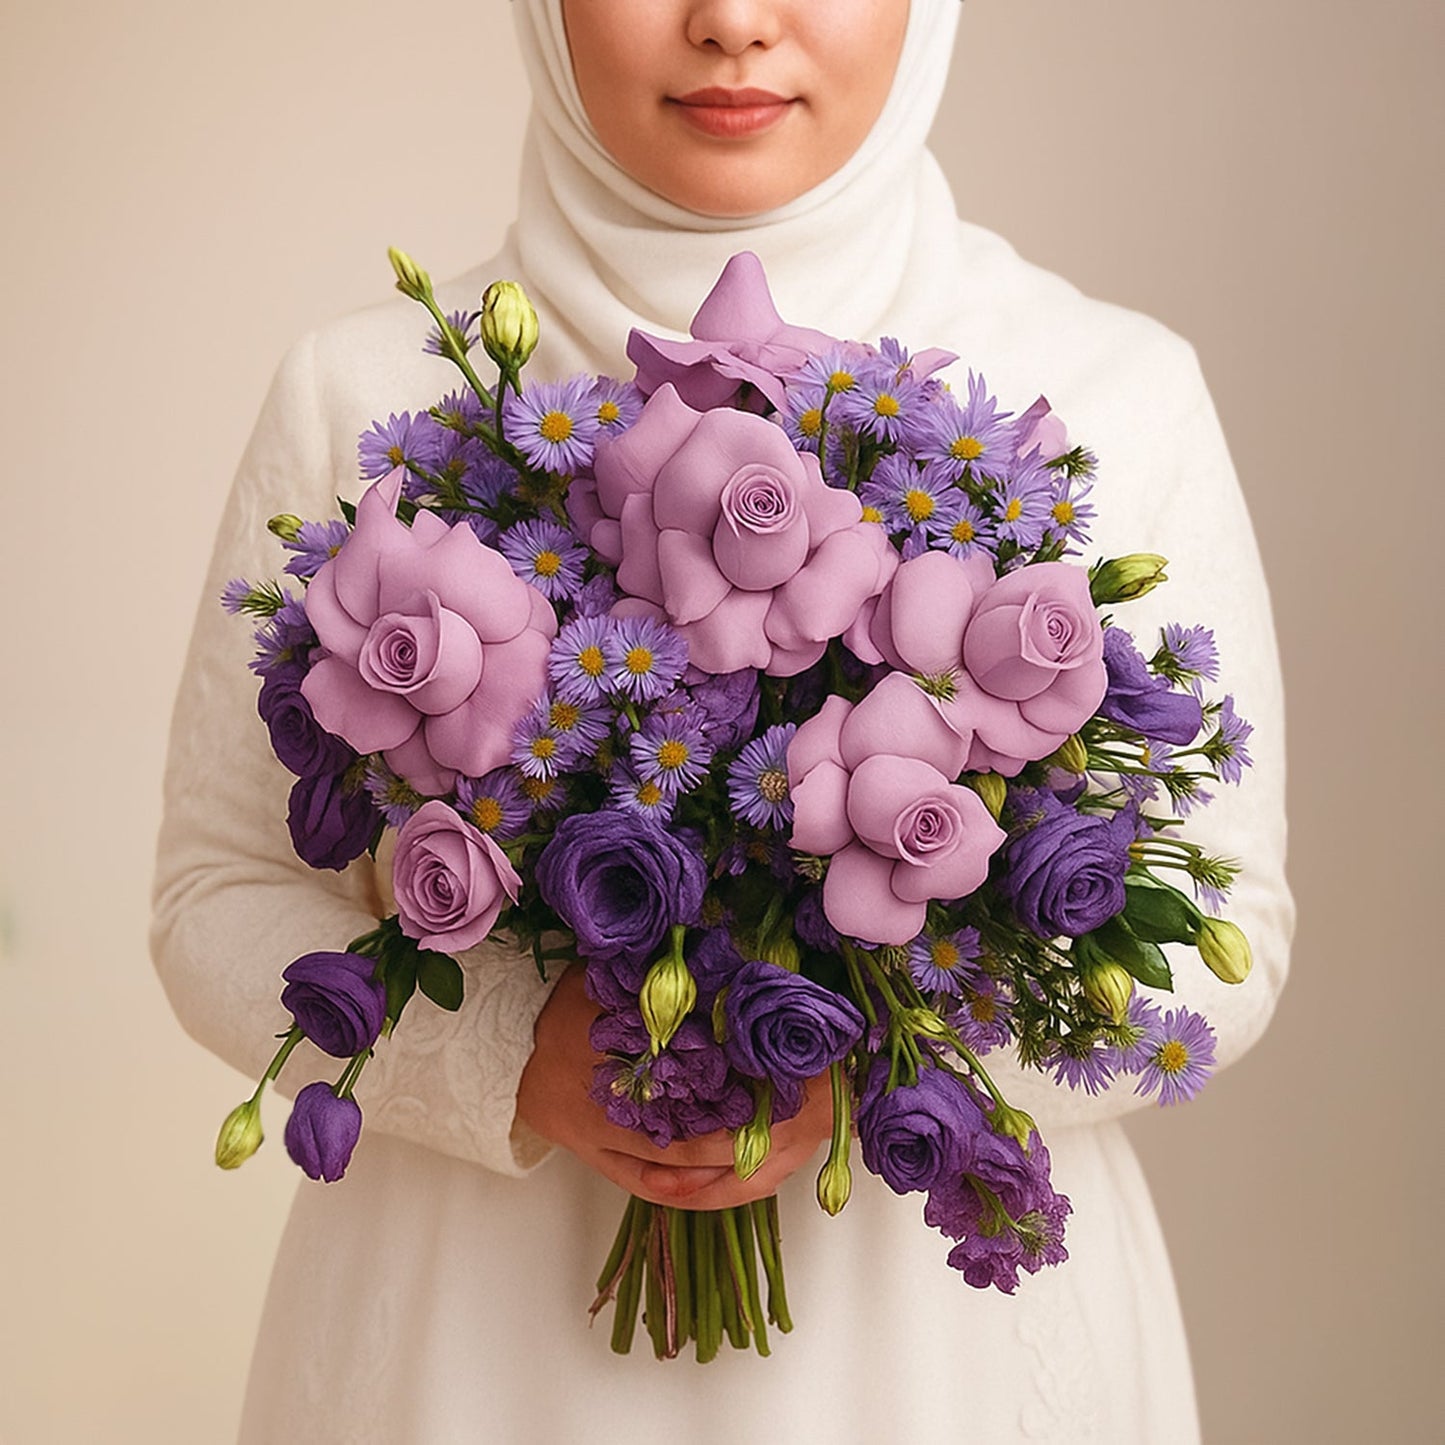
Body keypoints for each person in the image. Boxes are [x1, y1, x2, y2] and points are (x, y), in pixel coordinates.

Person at [151, 2, 1294, 1440]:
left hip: (943, 1363)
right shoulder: (370, 388)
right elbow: (214, 896)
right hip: (470, 1352)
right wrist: (519, 1055)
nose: (732, 22)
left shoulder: (1115, 392)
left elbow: (1235, 927)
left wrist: (865, 1063)